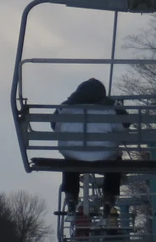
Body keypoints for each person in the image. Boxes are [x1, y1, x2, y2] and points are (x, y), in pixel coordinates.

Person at [52, 78, 127, 223]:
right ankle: (109, 196)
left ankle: (71, 195)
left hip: (73, 154)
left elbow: (55, 127)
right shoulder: (112, 108)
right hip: (104, 154)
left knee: (70, 157)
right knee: (115, 159)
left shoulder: (65, 108)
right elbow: (123, 128)